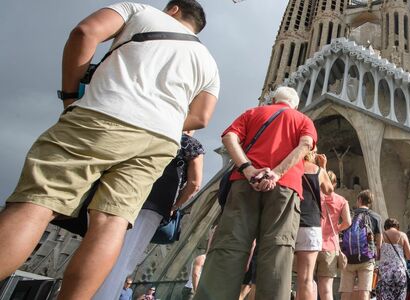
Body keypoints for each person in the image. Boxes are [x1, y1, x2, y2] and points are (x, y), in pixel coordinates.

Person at [0, 1, 218, 298]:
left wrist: (69, 96)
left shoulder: (142, 11)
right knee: (112, 222)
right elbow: (202, 117)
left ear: (174, 10)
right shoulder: (208, 60)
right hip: (159, 140)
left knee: (38, 203)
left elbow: (84, 32)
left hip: (106, 114)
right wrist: (160, 118)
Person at [196, 86, 316, 300]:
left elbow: (229, 137)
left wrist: (248, 169)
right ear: (295, 104)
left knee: (229, 246)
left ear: (273, 99)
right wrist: (277, 174)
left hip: (244, 183)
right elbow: (305, 145)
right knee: (278, 251)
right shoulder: (302, 119)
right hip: (284, 187)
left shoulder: (253, 113)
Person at [94, 132, 205, 300]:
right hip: (153, 206)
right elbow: (195, 184)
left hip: (117, 193)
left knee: (97, 250)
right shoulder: (189, 144)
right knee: (123, 260)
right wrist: (175, 206)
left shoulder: (145, 128)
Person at [296, 149, 335, 300]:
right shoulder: (317, 170)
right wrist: (323, 166)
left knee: (283, 275)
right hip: (309, 224)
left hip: (289, 222)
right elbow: (329, 190)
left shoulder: (290, 166)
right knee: (306, 279)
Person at [340, 190, 383, 300]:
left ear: (359, 200)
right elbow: (379, 238)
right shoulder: (376, 217)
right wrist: (377, 253)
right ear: (370, 202)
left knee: (346, 291)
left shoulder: (350, 215)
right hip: (367, 258)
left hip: (348, 258)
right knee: (364, 291)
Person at [317, 171, 352, 300]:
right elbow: (348, 222)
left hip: (311, 243)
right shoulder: (341, 201)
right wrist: (336, 229)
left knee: (305, 283)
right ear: (334, 184)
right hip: (330, 246)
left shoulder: (314, 197)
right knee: (326, 290)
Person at [377, 218, 410, 299]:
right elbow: (409, 256)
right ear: (397, 226)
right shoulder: (403, 235)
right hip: (399, 270)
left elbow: (377, 256)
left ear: (386, 226)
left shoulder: (381, 235)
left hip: (385, 272)